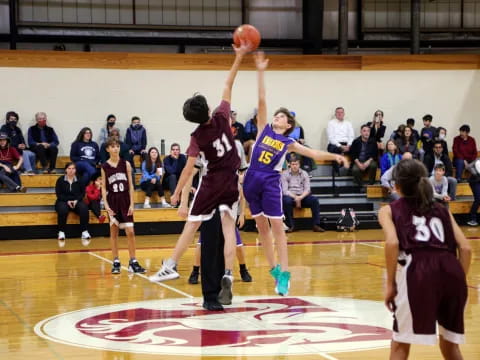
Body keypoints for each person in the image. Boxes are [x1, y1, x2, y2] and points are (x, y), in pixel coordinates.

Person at [150, 41, 251, 308]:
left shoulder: (197, 137)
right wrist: (239, 55)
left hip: (212, 183)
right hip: (231, 181)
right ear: (207, 108)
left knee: (192, 224)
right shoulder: (221, 116)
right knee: (229, 229)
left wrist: (175, 192)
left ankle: (171, 264)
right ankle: (228, 273)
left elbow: (187, 167)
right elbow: (229, 83)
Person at [243, 52, 348, 296]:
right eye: (276, 115)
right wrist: (260, 71)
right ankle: (274, 271)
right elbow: (261, 100)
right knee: (261, 229)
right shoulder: (263, 130)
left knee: (277, 228)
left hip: (269, 181)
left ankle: (285, 273)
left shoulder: (289, 142)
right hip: (251, 179)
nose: (276, 117)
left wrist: (335, 156)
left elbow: (312, 154)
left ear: (288, 125)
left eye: (281, 117)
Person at [378, 158, 471, 360]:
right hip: (451, 269)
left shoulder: (389, 210)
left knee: (400, 344)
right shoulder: (443, 210)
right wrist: (456, 280)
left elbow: (392, 244)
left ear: (397, 185)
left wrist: (390, 284)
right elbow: (465, 248)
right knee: (450, 346)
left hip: (419, 270)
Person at [101, 137, 146, 274]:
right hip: (113, 200)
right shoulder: (104, 167)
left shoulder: (126, 164)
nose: (116, 148)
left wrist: (132, 204)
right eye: (113, 146)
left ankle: (133, 261)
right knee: (114, 233)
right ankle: (116, 261)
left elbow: (131, 185)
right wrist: (106, 205)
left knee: (130, 232)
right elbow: (103, 187)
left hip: (125, 200)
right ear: (108, 149)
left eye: (117, 146)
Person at [281, 156, 325, 233]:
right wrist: (296, 197)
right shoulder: (284, 174)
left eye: (296, 164)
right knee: (286, 201)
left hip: (302, 196)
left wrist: (300, 197)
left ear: (299, 165)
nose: (294, 166)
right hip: (291, 196)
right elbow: (285, 191)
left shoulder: (304, 173)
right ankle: (291, 225)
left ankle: (316, 225)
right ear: (289, 165)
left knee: (314, 200)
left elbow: (307, 189)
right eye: (293, 164)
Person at [55, 162, 91, 247]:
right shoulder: (60, 180)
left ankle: (84, 231)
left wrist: (76, 200)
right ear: (66, 170)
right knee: (63, 209)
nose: (71, 170)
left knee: (84, 209)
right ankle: (61, 232)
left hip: (76, 201)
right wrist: (67, 201)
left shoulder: (80, 179)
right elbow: (58, 194)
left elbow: (82, 193)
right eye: (69, 168)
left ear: (75, 170)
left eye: (73, 169)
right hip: (63, 200)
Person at [350, 124, 378, 191]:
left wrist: (368, 162)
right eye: (364, 131)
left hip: (369, 161)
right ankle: (361, 185)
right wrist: (359, 164)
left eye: (368, 131)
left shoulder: (373, 141)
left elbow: (375, 154)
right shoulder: (356, 141)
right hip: (358, 161)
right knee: (355, 169)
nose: (366, 133)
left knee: (374, 165)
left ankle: (371, 184)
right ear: (361, 132)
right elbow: (352, 154)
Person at [326, 106, 354, 175]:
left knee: (356, 150)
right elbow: (331, 138)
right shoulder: (331, 123)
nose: (339, 114)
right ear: (335, 114)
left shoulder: (348, 123)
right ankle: (336, 171)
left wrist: (349, 145)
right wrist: (340, 146)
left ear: (344, 114)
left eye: (341, 112)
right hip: (335, 144)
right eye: (338, 112)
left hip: (346, 144)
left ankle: (350, 171)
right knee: (334, 149)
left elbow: (351, 136)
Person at [466, 159, 480, 226]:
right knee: (478, 198)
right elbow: (468, 167)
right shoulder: (478, 160)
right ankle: (472, 219)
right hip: (475, 181)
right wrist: (476, 173)